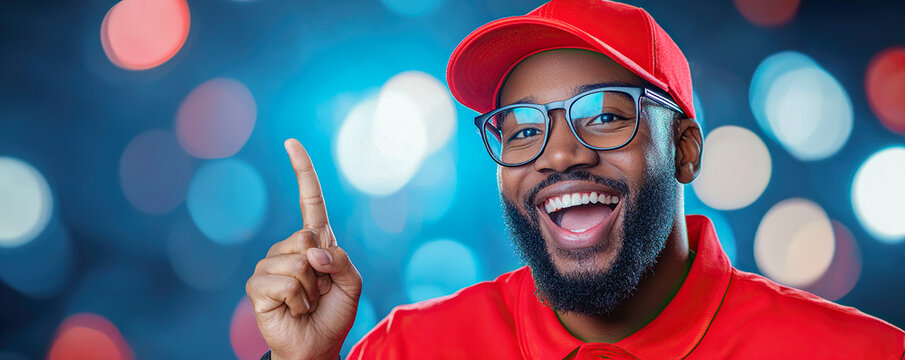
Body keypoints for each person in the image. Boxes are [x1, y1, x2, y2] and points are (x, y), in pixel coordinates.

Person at [245, 0, 905, 359]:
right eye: (522, 128)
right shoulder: (410, 351)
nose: (558, 155)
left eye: (605, 116)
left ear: (683, 150)